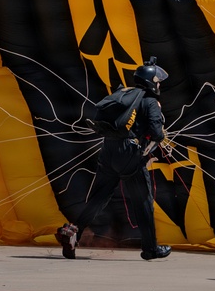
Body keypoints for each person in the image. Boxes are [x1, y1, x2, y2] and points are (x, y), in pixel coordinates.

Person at [56, 58, 173, 261]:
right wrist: (160, 136)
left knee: (99, 197)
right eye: (158, 82)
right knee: (143, 201)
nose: (159, 86)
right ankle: (150, 249)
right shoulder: (149, 101)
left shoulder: (126, 95)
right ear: (152, 82)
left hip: (109, 150)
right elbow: (156, 132)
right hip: (129, 153)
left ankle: (74, 232)